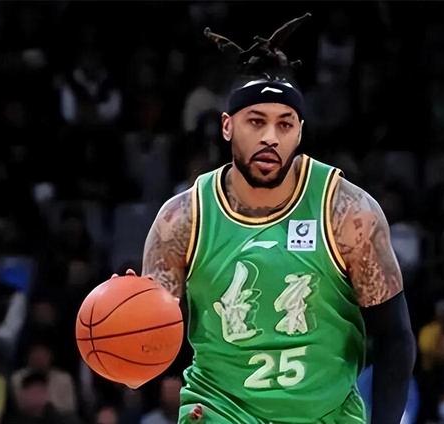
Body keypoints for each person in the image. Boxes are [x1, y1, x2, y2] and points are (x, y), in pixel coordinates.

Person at [115, 14, 415, 423]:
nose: (270, 137)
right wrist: (130, 312)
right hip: (220, 409)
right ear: (227, 126)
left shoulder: (347, 212)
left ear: (299, 132)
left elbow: (395, 337)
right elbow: (149, 345)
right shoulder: (181, 220)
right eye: (256, 121)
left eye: (284, 124)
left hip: (326, 413)